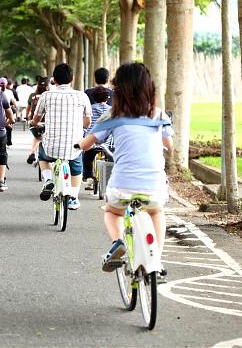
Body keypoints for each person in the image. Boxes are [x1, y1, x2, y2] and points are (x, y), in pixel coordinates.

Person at [76, 62, 172, 275]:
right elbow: (169, 145)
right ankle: (156, 259)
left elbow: (87, 142)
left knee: (112, 211)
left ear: (117, 89)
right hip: (154, 186)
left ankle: (117, 242)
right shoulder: (158, 115)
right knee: (156, 211)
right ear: (149, 88)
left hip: (122, 186)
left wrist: (78, 146)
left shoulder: (113, 115)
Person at [31, 64, 91, 210]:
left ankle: (48, 180)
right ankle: (74, 198)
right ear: (72, 79)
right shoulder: (82, 96)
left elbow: (36, 119)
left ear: (54, 79)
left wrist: (33, 123)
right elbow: (87, 122)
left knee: (43, 157)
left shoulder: (46, 95)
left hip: (51, 147)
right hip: (74, 146)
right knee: (76, 166)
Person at [82, 86, 114, 191]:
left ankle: (88, 177)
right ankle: (109, 179)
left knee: (87, 158)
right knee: (110, 159)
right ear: (107, 98)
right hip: (107, 142)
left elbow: (87, 125)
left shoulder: (90, 109)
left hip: (92, 141)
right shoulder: (112, 110)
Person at [25, 78, 49, 164]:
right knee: (42, 136)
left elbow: (28, 108)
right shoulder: (49, 96)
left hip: (34, 122)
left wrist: (27, 116)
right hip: (47, 123)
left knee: (37, 136)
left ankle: (32, 152)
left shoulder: (32, 95)